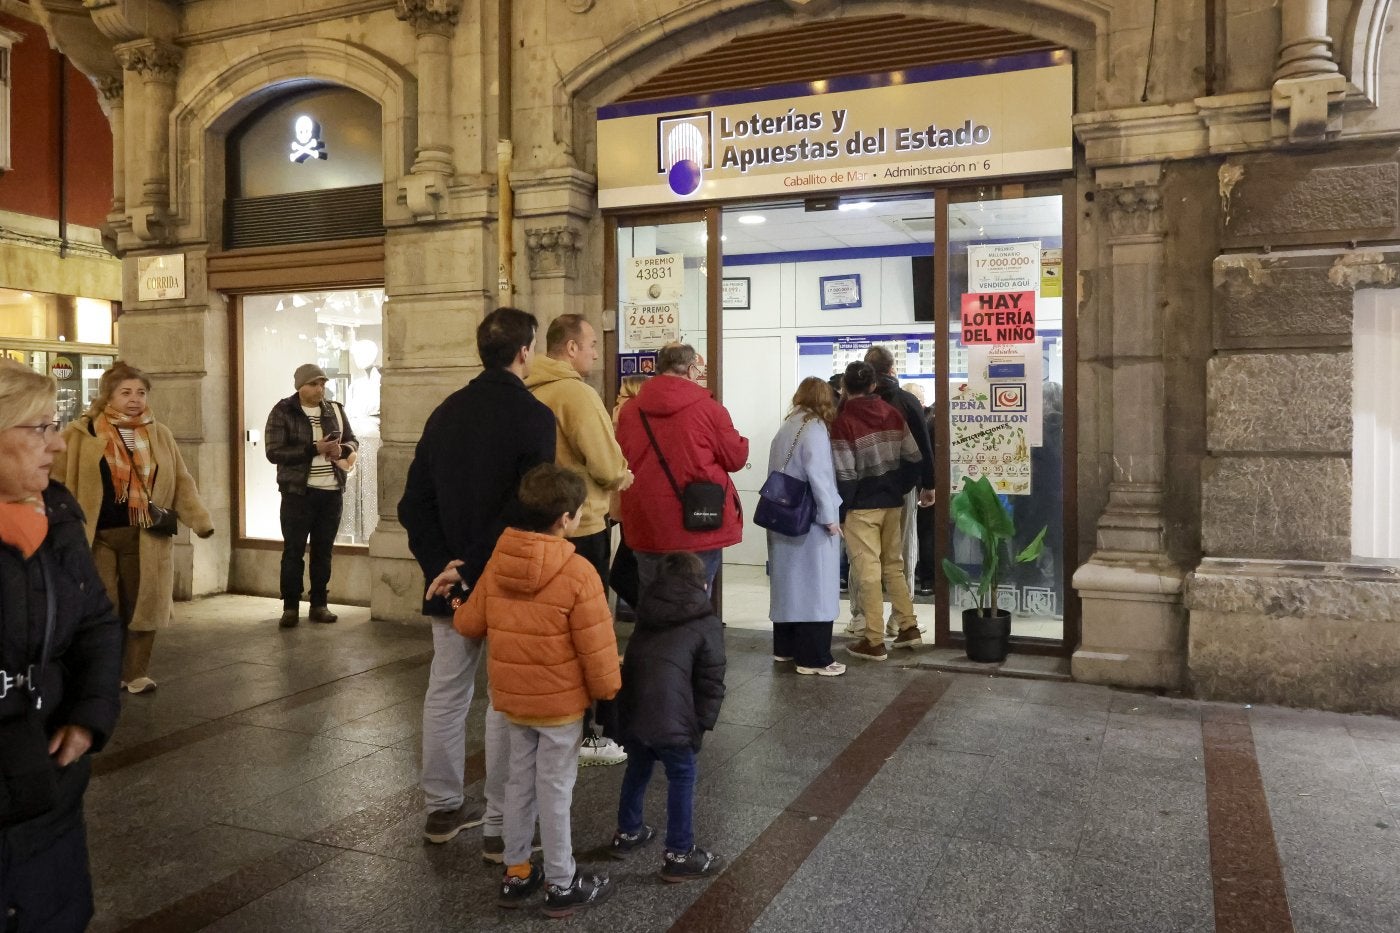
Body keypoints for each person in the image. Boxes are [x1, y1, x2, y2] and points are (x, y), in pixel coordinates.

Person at [397, 306, 557, 854]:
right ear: (523, 351)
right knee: (505, 699)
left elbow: (412, 502)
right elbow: (529, 506)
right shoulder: (534, 417)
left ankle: (442, 811)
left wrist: (443, 566)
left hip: (448, 582)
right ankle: (501, 826)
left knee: (446, 691)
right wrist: (474, 565)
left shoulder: (446, 413)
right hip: (510, 576)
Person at [454, 463, 621, 917]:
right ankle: (563, 882)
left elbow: (469, 623)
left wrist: (458, 601)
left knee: (516, 785)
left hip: (511, 700)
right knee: (556, 790)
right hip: (560, 706)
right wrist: (608, 691)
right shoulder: (579, 572)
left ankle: (517, 871)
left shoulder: (498, 560)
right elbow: (597, 645)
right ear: (566, 517)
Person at [0, 358, 121, 932]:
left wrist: (89, 716)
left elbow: (95, 622)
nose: (55, 444)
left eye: (56, 425)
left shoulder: (57, 513)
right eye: (39, 428)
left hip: (49, 780)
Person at [51, 361, 214, 693]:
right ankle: (102, 673)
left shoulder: (159, 433)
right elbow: (56, 480)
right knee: (103, 606)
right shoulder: (82, 433)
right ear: (108, 395)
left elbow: (182, 481)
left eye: (140, 392)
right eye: (126, 392)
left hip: (145, 535)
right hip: (96, 536)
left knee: (142, 605)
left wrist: (200, 520)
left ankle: (136, 673)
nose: (135, 399)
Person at [525, 314, 632, 767]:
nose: (595, 351)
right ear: (569, 348)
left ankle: (556, 723)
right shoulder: (576, 393)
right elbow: (607, 465)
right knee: (589, 627)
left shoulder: (529, 389)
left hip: (538, 523)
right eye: (590, 343)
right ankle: (591, 730)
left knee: (549, 629)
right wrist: (624, 475)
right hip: (583, 524)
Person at [611, 551, 725, 881]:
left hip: (635, 714)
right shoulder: (706, 622)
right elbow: (712, 680)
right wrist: (700, 725)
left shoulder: (646, 614)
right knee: (682, 775)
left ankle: (628, 832)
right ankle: (679, 852)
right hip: (674, 720)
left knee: (638, 767)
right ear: (702, 584)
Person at [615, 343, 748, 594]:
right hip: (697, 519)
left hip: (646, 519)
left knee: (652, 600)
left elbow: (622, 456)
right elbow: (735, 459)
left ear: (658, 367)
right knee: (694, 601)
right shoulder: (710, 410)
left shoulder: (630, 411)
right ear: (690, 369)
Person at [830, 361, 923, 661]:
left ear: (845, 387)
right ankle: (909, 627)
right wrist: (897, 487)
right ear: (873, 385)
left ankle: (873, 639)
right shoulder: (892, 414)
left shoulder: (842, 422)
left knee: (867, 571)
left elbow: (844, 474)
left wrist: (844, 509)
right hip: (892, 503)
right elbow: (913, 457)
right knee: (893, 566)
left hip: (862, 508)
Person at [847, 346, 935, 638]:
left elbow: (840, 462)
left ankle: (862, 620)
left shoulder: (843, 412)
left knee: (862, 560)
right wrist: (919, 484)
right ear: (891, 368)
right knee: (899, 558)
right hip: (897, 494)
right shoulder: (905, 403)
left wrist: (844, 499)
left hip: (859, 498)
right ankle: (900, 621)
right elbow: (920, 450)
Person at [263, 363, 359, 628]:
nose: (320, 389)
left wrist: (342, 449)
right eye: (314, 384)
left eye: (322, 384)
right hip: (298, 493)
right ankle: (290, 606)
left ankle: (319, 604)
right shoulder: (284, 411)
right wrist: (313, 449)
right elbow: (274, 452)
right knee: (293, 551)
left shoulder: (335, 410)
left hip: (331, 492)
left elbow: (353, 440)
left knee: (323, 551)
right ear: (300, 386)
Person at [767, 377, 845, 676]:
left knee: (788, 587)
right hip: (808, 521)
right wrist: (830, 517)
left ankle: (785, 648)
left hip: (781, 515)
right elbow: (821, 478)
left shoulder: (787, 426)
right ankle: (814, 658)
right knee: (816, 589)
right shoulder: (814, 429)